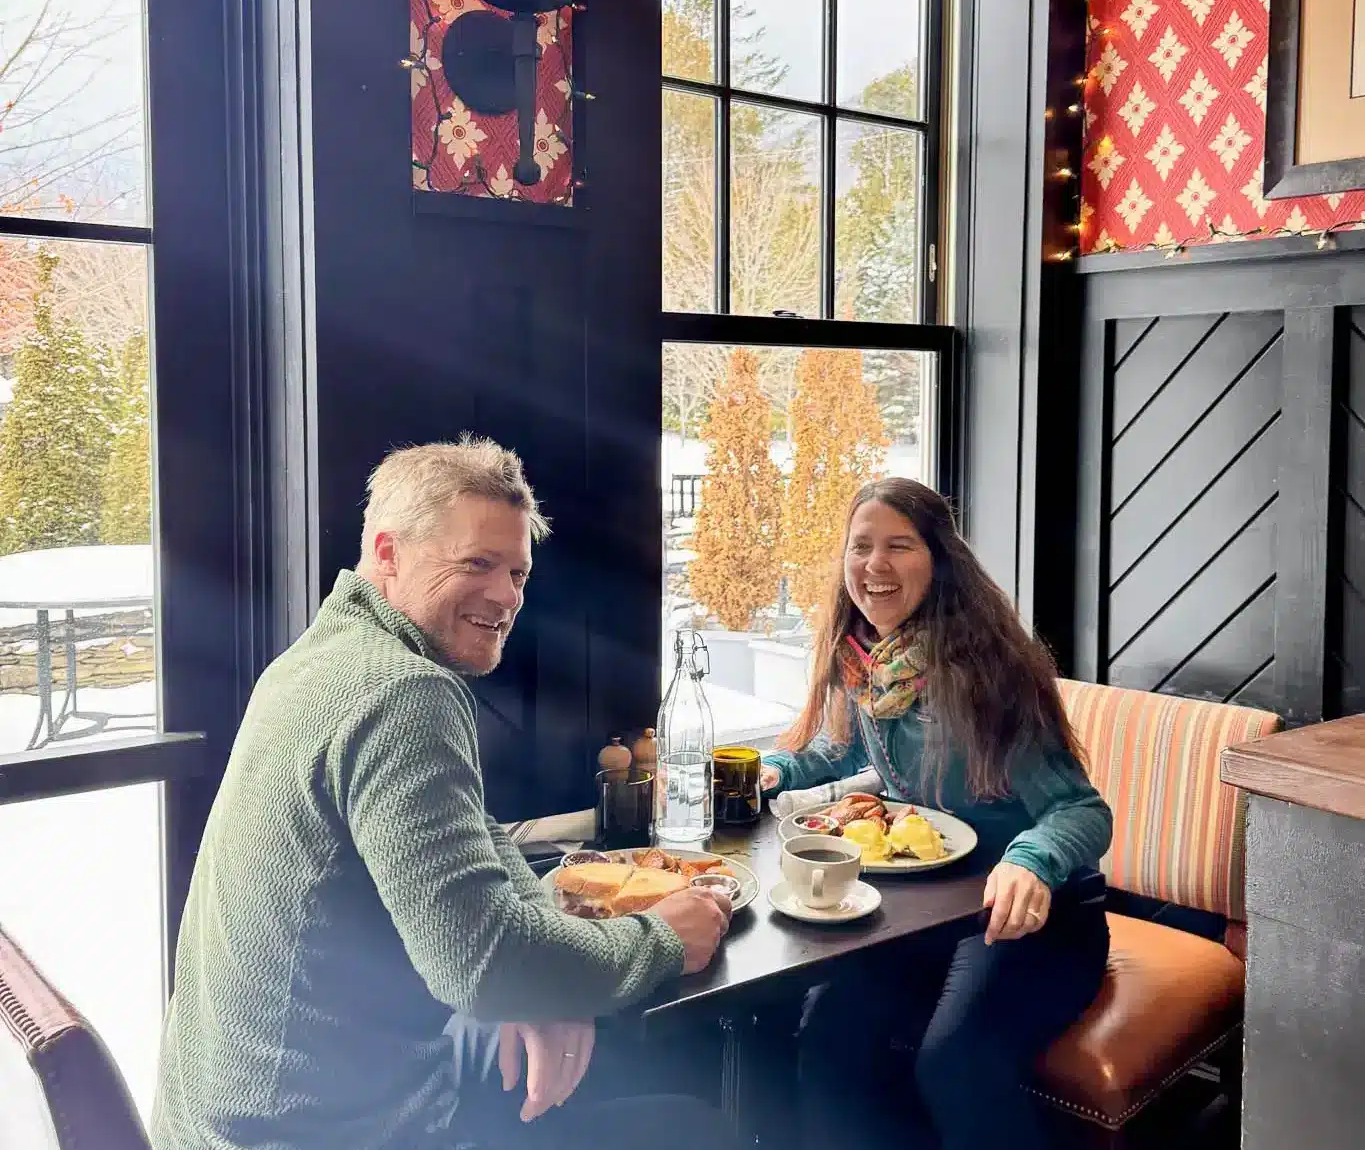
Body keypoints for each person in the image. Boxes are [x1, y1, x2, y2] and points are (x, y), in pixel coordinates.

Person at [151, 438, 737, 1150]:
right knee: (696, 1126)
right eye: (477, 563)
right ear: (388, 552)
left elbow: (478, 839)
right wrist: (662, 938)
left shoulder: (319, 659)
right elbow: (483, 963)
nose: (507, 595)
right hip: (315, 1131)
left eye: (517, 571)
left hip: (228, 1118)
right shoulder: (404, 691)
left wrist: (549, 982)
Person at [759, 478, 1112, 1150]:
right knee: (829, 1030)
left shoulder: (992, 673)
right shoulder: (867, 666)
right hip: (927, 917)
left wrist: (1029, 862)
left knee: (955, 1060)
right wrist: (779, 769)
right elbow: (840, 746)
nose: (874, 565)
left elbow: (1080, 809)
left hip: (1035, 919)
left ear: (938, 559)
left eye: (898, 545)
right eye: (860, 547)